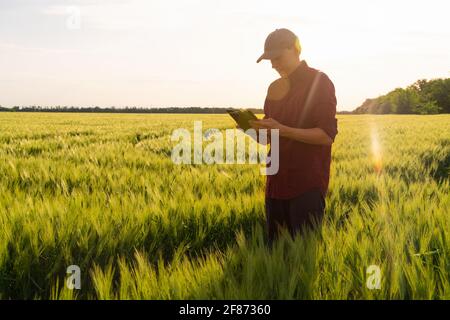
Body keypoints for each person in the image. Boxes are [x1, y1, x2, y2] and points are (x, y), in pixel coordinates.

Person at [249, 28, 338, 244]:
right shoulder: (274, 88)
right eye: (269, 60)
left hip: (306, 186)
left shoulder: (319, 82)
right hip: (275, 185)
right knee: (275, 257)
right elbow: (270, 137)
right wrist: (253, 130)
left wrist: (283, 130)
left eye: (277, 57)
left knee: (302, 260)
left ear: (294, 48)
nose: (273, 65)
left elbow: (326, 135)